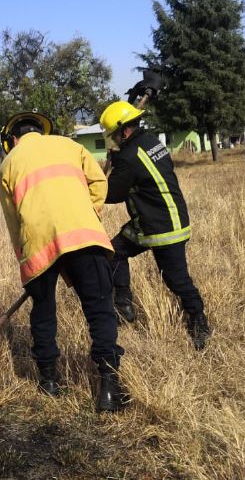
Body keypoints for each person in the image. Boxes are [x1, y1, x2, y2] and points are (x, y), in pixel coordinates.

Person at [0, 110, 128, 412]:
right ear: (39, 132)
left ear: (13, 139)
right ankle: (109, 386)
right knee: (99, 309)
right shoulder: (71, 146)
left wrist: (24, 257)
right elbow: (99, 183)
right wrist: (88, 212)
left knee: (43, 311)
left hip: (38, 242)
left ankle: (49, 381)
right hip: (83, 234)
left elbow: (13, 220)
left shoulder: (8, 163)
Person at [98, 100, 212, 350]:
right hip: (161, 218)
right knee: (112, 250)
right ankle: (124, 305)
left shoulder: (128, 157)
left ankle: (199, 322)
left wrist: (95, 185)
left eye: (114, 135)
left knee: (176, 279)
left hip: (161, 226)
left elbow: (113, 193)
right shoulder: (151, 142)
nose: (113, 140)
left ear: (124, 131)